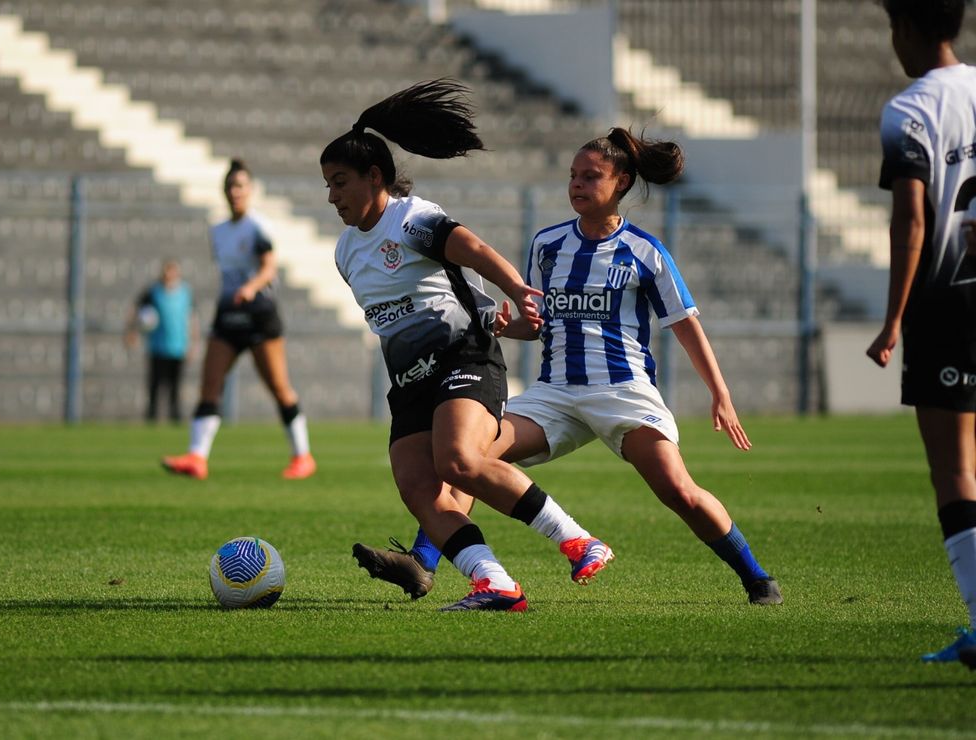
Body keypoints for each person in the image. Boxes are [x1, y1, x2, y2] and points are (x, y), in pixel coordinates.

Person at [355, 127, 784, 607]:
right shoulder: (548, 244)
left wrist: (719, 393)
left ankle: (756, 577)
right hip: (554, 393)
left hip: (622, 390)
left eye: (591, 176)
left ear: (620, 182)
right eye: (573, 176)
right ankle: (423, 562)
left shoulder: (645, 252)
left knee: (678, 491)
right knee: (464, 455)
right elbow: (538, 324)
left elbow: (685, 325)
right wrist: (500, 325)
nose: (577, 184)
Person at [323, 78, 614, 612]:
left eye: (340, 182)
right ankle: (494, 583)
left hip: (465, 357)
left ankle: (578, 540)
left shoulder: (410, 219)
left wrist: (518, 291)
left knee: (457, 460)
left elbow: (474, 249)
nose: (332, 196)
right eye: (327, 186)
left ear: (374, 176)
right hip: (410, 381)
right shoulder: (345, 253)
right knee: (418, 487)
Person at [866, 0, 976, 668]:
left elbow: (912, 220)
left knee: (957, 471)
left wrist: (893, 318)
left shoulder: (910, 111)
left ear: (905, 29)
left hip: (949, 307)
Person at [161, 159, 316, 481]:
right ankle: (196, 457)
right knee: (209, 385)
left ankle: (302, 456)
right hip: (228, 312)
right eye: (231, 186)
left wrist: (250, 287)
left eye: (241, 186)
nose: (235, 192)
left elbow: (269, 268)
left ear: (250, 191)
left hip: (259, 312)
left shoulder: (257, 227)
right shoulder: (217, 231)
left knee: (278, 386)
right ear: (224, 191)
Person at [126, 259, 194, 423]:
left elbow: (191, 318)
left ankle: (175, 417)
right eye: (166, 271)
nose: (169, 275)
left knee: (175, 386)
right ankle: (152, 417)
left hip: (178, 346)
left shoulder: (185, 292)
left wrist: (192, 343)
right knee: (155, 385)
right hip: (157, 346)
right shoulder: (153, 292)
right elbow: (136, 310)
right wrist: (132, 331)